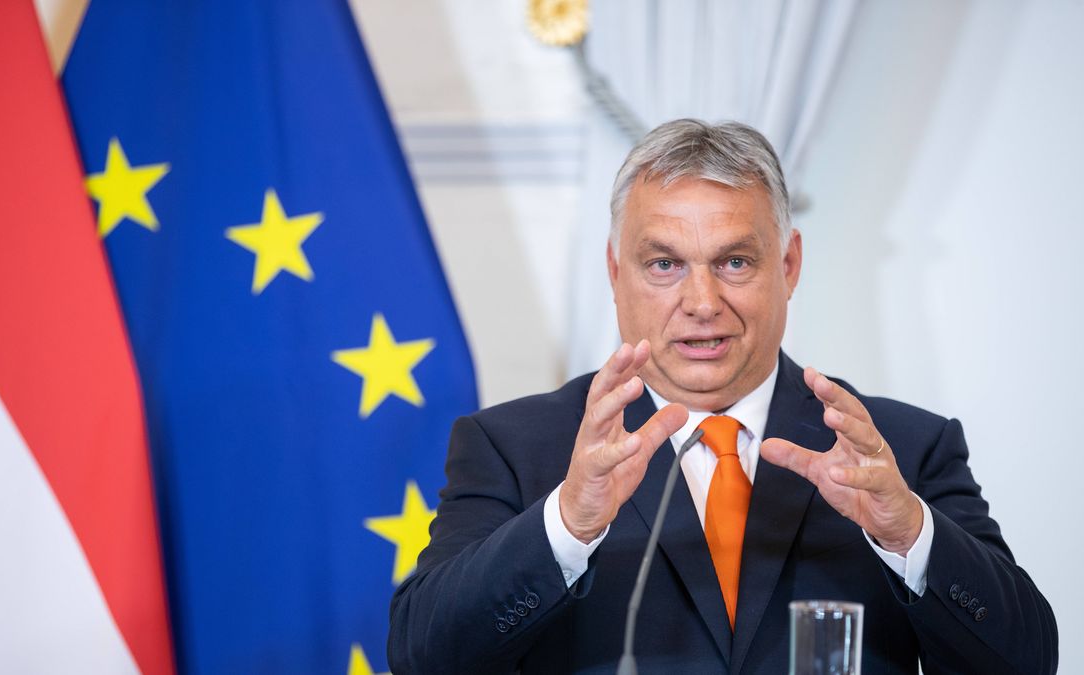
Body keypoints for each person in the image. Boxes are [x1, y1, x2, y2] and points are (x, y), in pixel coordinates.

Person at [387, 119, 1057, 674]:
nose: (702, 303)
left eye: (735, 262)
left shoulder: (901, 450)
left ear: (788, 265)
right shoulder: (514, 447)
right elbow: (422, 655)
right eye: (664, 264)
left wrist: (908, 530)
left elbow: (1028, 659)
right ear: (615, 271)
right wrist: (568, 522)